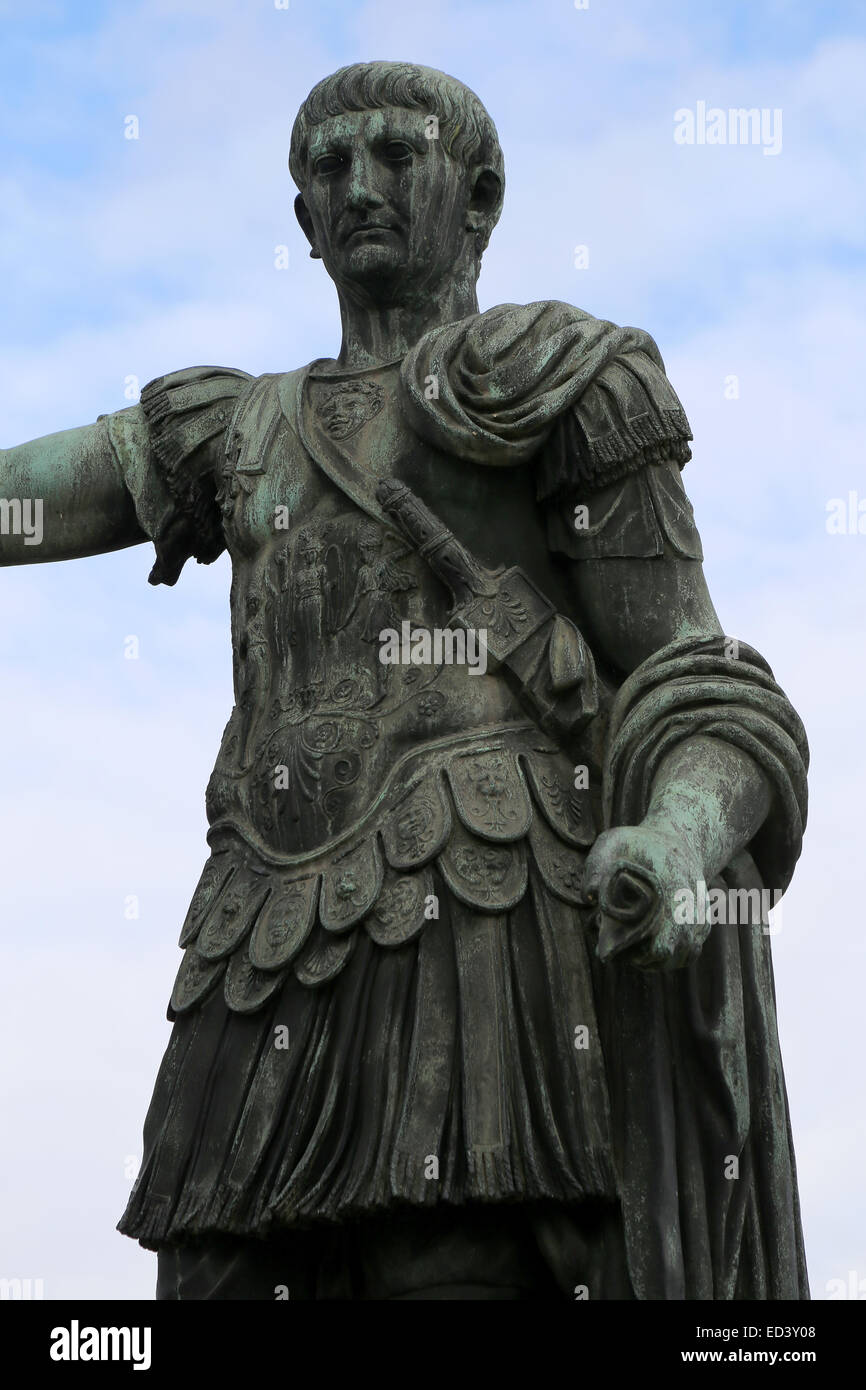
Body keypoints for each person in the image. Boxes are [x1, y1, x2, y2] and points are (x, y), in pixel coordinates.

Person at [0, 61, 809, 1300]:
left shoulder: (560, 378)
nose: (357, 184)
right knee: (206, 1279)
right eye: (327, 166)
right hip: (260, 932)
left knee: (453, 1269)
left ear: (477, 196)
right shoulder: (235, 426)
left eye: (394, 155)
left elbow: (699, 680)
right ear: (301, 220)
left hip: (486, 914)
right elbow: (43, 497)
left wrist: (674, 836)